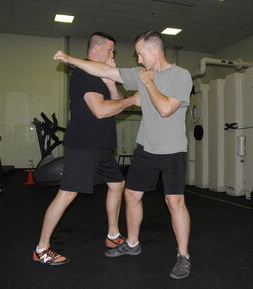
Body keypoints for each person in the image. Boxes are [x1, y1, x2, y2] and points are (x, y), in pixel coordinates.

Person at [53, 30, 192, 279]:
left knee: (174, 202)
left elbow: (165, 109)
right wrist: (71, 59)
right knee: (130, 194)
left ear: (153, 51)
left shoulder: (181, 76)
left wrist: (149, 83)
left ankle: (183, 255)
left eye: (140, 54)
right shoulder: (139, 74)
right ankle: (132, 243)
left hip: (172, 149)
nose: (138, 60)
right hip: (146, 148)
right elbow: (104, 71)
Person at [33, 32, 139, 266]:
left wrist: (111, 83)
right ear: (96, 49)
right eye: (110, 50)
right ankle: (41, 248)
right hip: (84, 146)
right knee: (67, 193)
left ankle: (112, 235)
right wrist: (132, 100)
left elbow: (115, 104)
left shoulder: (100, 77)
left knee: (117, 184)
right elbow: (101, 110)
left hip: (101, 146)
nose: (113, 55)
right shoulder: (83, 75)